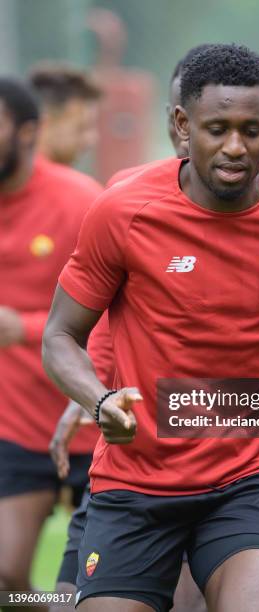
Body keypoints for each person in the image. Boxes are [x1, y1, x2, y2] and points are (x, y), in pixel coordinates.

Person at [43, 44, 259, 612]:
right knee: (49, 597)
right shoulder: (124, 210)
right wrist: (98, 402)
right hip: (135, 484)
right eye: (217, 129)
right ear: (182, 124)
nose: (236, 148)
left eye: (251, 130)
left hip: (247, 476)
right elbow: (61, 335)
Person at [49, 46, 208, 612]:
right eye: (179, 114)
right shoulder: (124, 197)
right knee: (60, 598)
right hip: (128, 461)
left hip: (217, 464)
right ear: (174, 117)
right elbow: (104, 316)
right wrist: (87, 396)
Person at [0, 77, 102, 612]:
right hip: (16, 427)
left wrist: (26, 326)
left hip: (96, 419)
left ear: (27, 132)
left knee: (114, 586)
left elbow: (119, 310)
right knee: (6, 581)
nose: (88, 137)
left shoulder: (81, 200)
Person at [28, 63, 102, 166]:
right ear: (44, 124)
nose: (91, 140)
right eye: (81, 128)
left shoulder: (10, 177)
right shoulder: (71, 182)